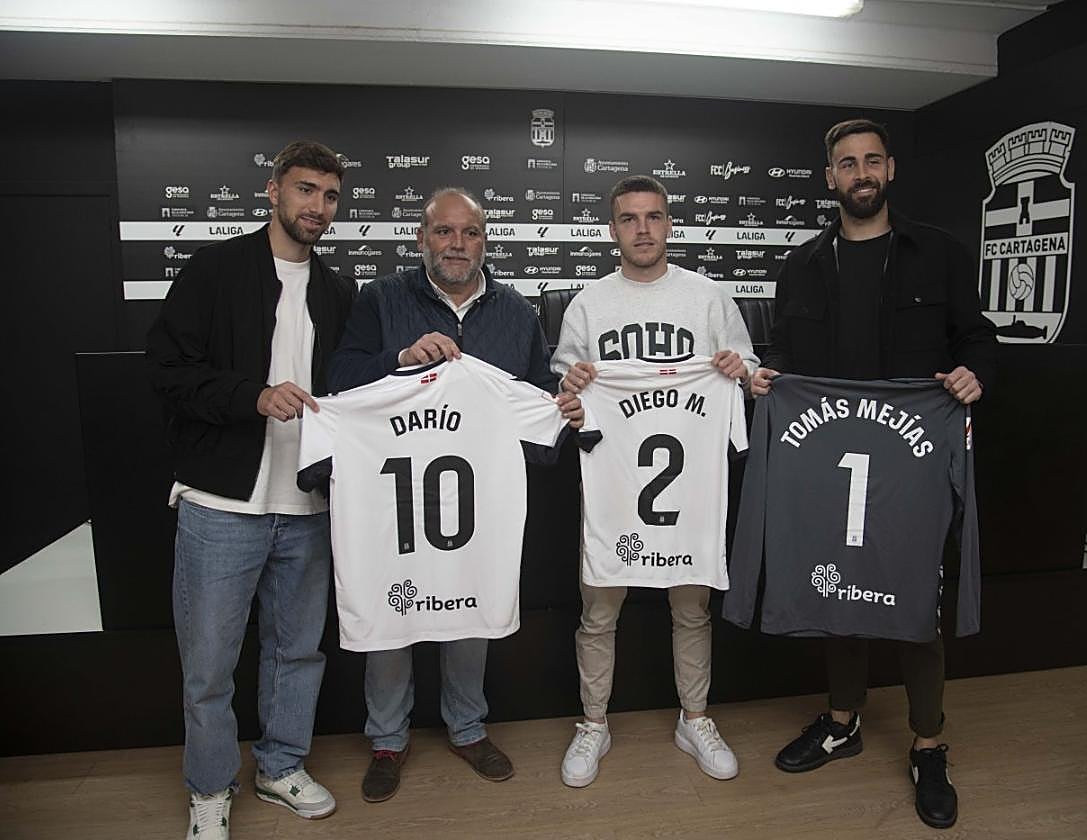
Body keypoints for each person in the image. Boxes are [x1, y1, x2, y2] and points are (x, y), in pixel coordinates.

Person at [749, 118, 997, 830]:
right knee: (839, 588)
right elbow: (785, 357)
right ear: (830, 178)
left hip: (912, 460)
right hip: (826, 458)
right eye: (846, 164)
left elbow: (977, 337)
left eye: (871, 161)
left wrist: (975, 374)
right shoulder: (800, 265)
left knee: (914, 598)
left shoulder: (940, 254)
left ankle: (928, 743)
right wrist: (769, 382)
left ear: (889, 170)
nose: (860, 173)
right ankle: (842, 722)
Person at [327, 187, 580, 803]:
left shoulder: (515, 311)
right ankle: (387, 739)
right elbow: (338, 381)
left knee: (470, 609)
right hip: (395, 502)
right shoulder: (382, 299)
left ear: (485, 241)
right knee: (392, 613)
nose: (457, 245)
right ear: (421, 239)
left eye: (469, 233)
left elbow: (538, 390)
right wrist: (402, 359)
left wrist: (559, 408)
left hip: (476, 504)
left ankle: (467, 729)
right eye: (444, 232)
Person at [145, 140, 358, 839]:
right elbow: (168, 372)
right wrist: (253, 396)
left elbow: (357, 391)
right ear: (273, 191)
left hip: (307, 508)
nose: (316, 208)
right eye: (304, 191)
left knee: (297, 652)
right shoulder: (215, 269)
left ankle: (279, 766)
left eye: (328, 196)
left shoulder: (336, 290)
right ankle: (209, 789)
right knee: (208, 665)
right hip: (221, 506)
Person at [553, 174, 757, 787]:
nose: (642, 229)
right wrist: (574, 387)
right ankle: (594, 723)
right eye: (628, 218)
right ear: (612, 228)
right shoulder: (588, 304)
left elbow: (749, 373)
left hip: (689, 487)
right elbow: (561, 390)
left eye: (653, 217)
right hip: (614, 488)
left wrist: (735, 367)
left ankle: (694, 718)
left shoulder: (709, 298)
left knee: (692, 611)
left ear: (669, 224)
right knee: (598, 613)